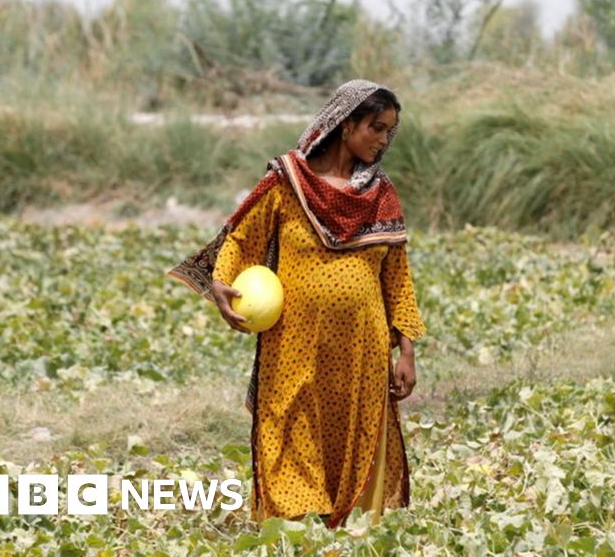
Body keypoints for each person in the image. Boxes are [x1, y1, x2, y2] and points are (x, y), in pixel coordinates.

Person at [168, 79, 426, 528]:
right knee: (288, 428)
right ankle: (295, 528)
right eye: (377, 128)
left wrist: (406, 350)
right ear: (346, 125)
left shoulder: (381, 194)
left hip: (362, 351)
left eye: (389, 132)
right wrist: (220, 284)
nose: (384, 140)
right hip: (293, 346)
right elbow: (241, 237)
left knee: (350, 437)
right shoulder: (288, 183)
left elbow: (397, 277)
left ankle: (341, 527)